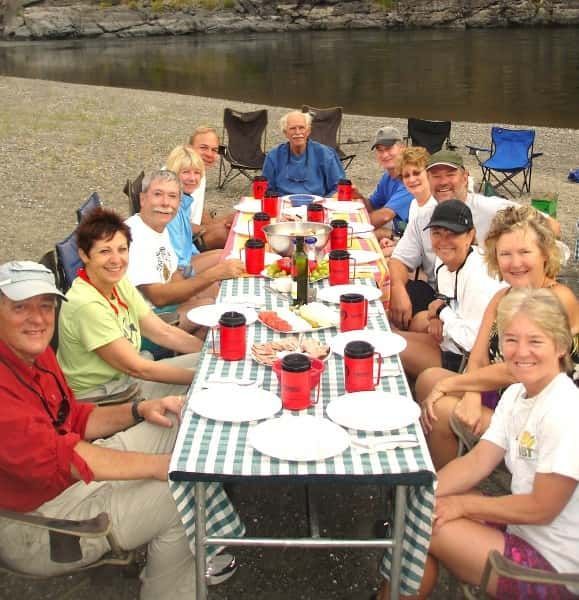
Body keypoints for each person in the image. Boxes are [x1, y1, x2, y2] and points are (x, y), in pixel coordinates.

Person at [0, 260, 243, 599]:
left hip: (70, 479)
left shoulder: (33, 353)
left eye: (45, 306)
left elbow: (76, 419)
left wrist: (139, 409)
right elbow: (70, 458)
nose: (37, 318)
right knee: (183, 492)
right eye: (20, 307)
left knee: (182, 419)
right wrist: (163, 467)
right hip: (35, 524)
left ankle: (186, 552)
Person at [378, 288, 579, 599]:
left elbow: (542, 508)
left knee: (423, 525)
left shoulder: (565, 409)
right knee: (419, 508)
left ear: (562, 346)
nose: (520, 352)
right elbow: (477, 461)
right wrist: (421, 490)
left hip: (556, 568)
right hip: (523, 533)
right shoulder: (517, 393)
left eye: (535, 341)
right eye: (511, 340)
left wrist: (462, 504)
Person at [418, 205, 579, 469]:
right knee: (428, 379)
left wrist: (458, 388)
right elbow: (478, 356)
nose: (515, 263)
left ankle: (450, 483)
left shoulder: (558, 299)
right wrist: (470, 393)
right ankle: (451, 467)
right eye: (506, 254)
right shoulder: (502, 297)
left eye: (525, 252)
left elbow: (518, 370)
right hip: (504, 396)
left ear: (544, 254)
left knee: (442, 408)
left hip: (541, 414)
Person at [57, 207, 202, 401]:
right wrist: (201, 378)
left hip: (128, 377)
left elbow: (162, 331)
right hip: (105, 395)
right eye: (104, 251)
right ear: (84, 255)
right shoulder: (87, 304)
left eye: (122, 249)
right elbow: (138, 368)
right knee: (204, 391)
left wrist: (211, 353)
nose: (116, 260)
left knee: (208, 361)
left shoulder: (117, 282)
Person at [389, 149, 521, 328]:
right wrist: (397, 289)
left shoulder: (490, 209)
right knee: (402, 298)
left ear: (465, 177)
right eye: (436, 176)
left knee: (419, 324)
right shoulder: (423, 217)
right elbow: (399, 259)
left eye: (450, 174)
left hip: (482, 299)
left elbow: (549, 226)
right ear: (428, 179)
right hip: (443, 294)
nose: (443, 181)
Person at [397, 200, 505, 379]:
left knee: (388, 349)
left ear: (471, 235)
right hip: (451, 343)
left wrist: (441, 312)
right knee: (394, 334)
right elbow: (446, 301)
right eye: (437, 233)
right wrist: (438, 317)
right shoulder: (443, 259)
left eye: (453, 234)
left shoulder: (480, 276)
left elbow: (474, 342)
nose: (443, 241)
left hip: (471, 362)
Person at [125, 169, 245, 321]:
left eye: (172, 196)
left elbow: (173, 273)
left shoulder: (160, 227)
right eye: (157, 194)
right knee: (213, 313)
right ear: (142, 199)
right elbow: (158, 298)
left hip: (164, 305)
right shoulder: (133, 236)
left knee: (222, 300)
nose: (165, 202)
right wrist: (214, 274)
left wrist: (193, 294)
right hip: (143, 320)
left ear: (179, 203)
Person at [165, 145, 225, 266]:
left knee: (225, 255)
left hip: (188, 259)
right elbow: (179, 260)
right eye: (186, 172)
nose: (192, 178)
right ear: (173, 173)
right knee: (224, 259)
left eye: (197, 173)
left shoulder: (183, 201)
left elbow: (187, 245)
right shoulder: (169, 209)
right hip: (176, 271)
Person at [261, 110, 345, 196]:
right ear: (285, 133)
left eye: (301, 128)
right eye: (292, 128)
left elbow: (338, 188)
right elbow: (265, 189)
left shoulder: (326, 154)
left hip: (316, 206)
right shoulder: (274, 156)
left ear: (308, 131)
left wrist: (325, 202)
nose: (297, 132)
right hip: (282, 206)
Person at [356, 126, 413, 241]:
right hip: (399, 230)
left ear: (402, 148)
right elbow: (372, 206)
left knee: (360, 237)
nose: (385, 154)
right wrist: (358, 196)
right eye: (380, 150)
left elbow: (385, 216)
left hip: (414, 241)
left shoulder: (411, 177)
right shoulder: (388, 176)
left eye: (389, 148)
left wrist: (352, 225)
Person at [380, 146, 435, 257]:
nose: (412, 179)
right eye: (406, 175)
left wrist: (392, 251)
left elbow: (424, 252)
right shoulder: (415, 204)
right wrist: (395, 244)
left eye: (416, 173)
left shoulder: (435, 207)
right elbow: (414, 242)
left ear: (428, 174)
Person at [186, 127, 234, 250]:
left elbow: (197, 208)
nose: (209, 154)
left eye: (214, 150)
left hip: (192, 229)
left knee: (236, 218)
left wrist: (218, 222)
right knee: (228, 234)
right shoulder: (176, 175)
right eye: (203, 148)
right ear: (189, 148)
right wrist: (209, 228)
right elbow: (169, 223)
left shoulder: (198, 171)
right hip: (183, 241)